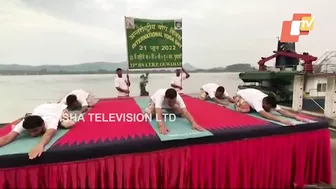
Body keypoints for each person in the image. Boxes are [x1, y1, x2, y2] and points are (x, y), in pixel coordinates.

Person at [0, 103, 75, 159]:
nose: (32, 135)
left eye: (35, 130)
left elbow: (48, 134)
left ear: (43, 125)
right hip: (41, 107)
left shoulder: (51, 121)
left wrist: (40, 145)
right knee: (15, 129)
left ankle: (61, 123)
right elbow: (7, 137)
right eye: (29, 131)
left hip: (58, 108)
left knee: (67, 124)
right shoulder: (23, 123)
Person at [235, 88, 310, 126]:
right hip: (241, 94)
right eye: (268, 107)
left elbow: (282, 111)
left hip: (252, 93)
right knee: (246, 109)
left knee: (263, 110)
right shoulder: (257, 101)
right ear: (264, 103)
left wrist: (296, 117)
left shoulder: (269, 101)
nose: (270, 109)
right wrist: (280, 120)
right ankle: (236, 103)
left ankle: (252, 107)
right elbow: (264, 114)